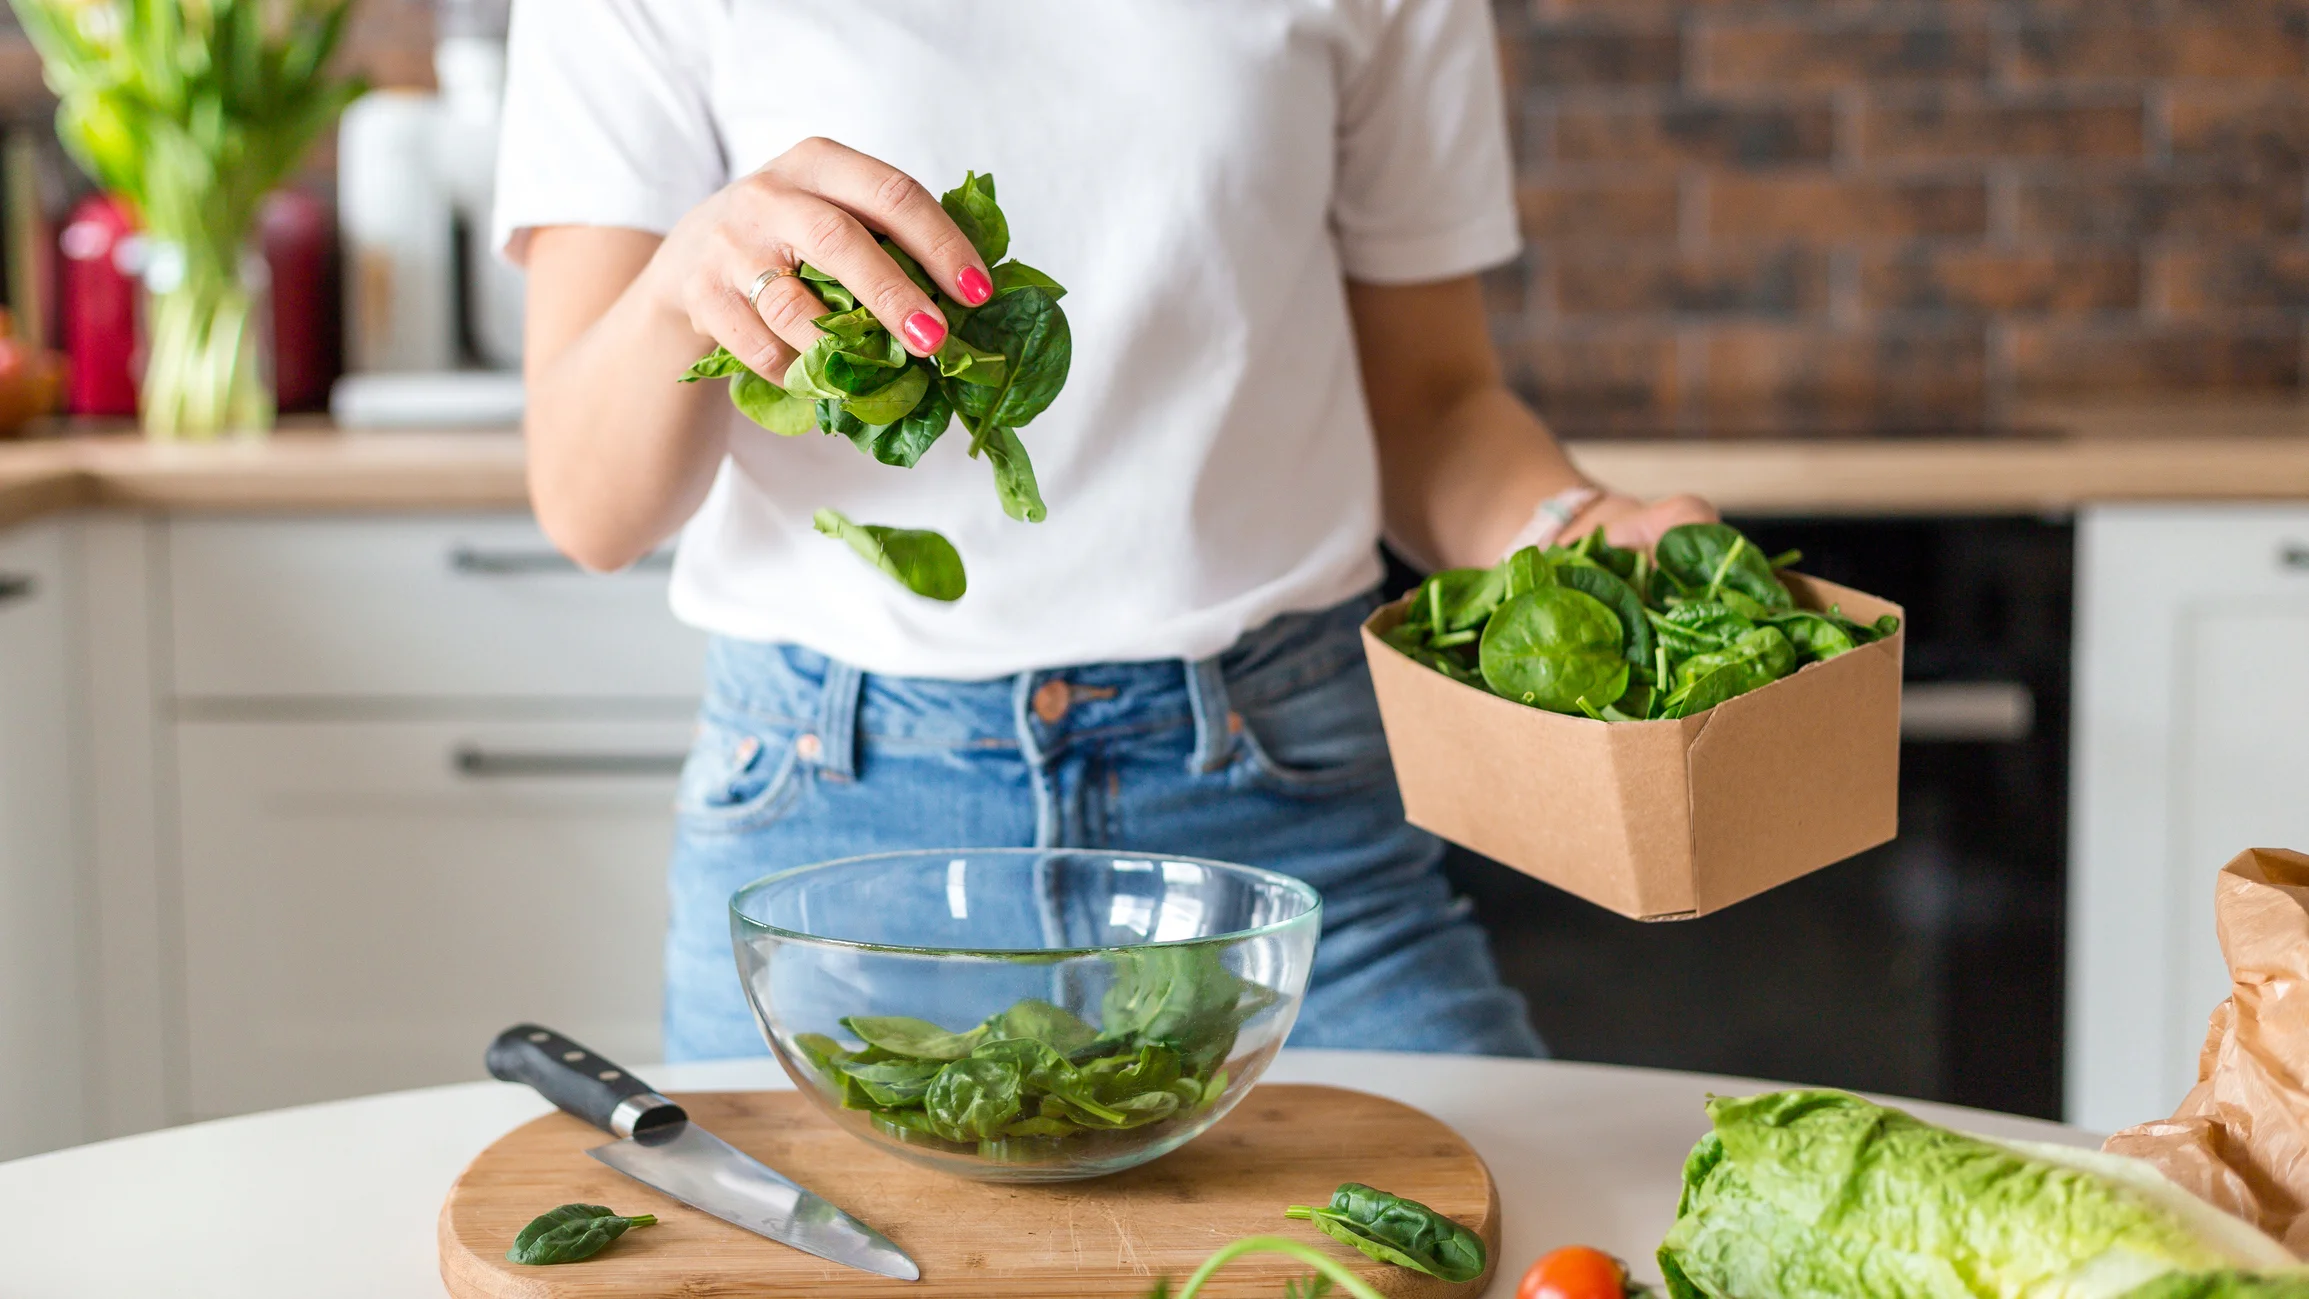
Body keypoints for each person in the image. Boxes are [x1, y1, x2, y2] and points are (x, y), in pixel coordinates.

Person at [494, 0, 1715, 1063]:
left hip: (1277, 801)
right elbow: (590, 506)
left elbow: (1433, 403)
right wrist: (679, 286)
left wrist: (1573, 528)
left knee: (1493, 1233)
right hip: (839, 822)